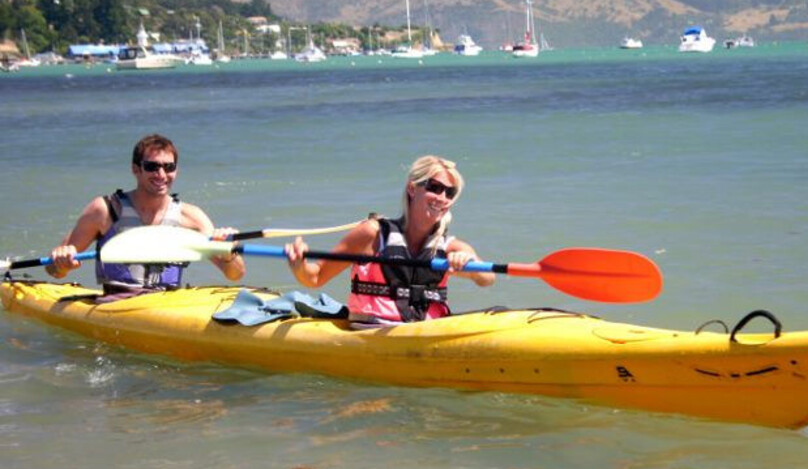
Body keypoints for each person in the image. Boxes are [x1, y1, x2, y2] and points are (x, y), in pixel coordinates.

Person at [285, 155, 495, 326]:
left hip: (428, 333)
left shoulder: (453, 248)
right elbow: (315, 277)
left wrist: (469, 266)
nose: (442, 198)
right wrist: (299, 265)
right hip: (372, 332)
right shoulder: (372, 234)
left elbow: (487, 279)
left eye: (450, 193)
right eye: (435, 187)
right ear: (412, 189)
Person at [47, 134, 245, 294]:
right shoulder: (104, 210)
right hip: (116, 303)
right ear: (136, 169)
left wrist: (229, 251)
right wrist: (63, 262)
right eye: (152, 166)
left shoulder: (192, 217)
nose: (161, 174)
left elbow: (235, 275)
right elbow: (54, 271)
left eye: (169, 167)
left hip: (168, 303)